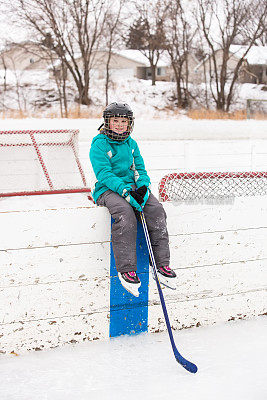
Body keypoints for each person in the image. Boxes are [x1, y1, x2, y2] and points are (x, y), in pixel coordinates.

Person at [89, 102, 176, 297]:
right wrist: (125, 191)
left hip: (133, 187)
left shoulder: (131, 143)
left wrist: (143, 188)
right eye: (115, 121)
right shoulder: (99, 144)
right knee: (125, 213)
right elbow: (104, 173)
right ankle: (126, 269)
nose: (120, 125)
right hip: (108, 189)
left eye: (124, 121)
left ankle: (161, 264)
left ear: (130, 124)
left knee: (156, 210)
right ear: (107, 122)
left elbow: (140, 169)